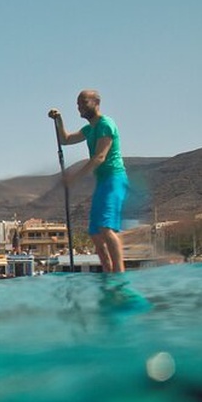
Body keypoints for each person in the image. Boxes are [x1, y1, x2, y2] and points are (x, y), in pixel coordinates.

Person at [49, 90, 129, 273]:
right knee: (95, 233)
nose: (80, 107)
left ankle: (119, 274)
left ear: (96, 102)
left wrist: (74, 178)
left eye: (84, 102)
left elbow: (100, 157)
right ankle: (108, 274)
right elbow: (65, 139)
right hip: (102, 182)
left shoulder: (105, 124)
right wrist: (58, 119)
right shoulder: (89, 129)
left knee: (105, 227)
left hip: (114, 179)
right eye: (78, 104)